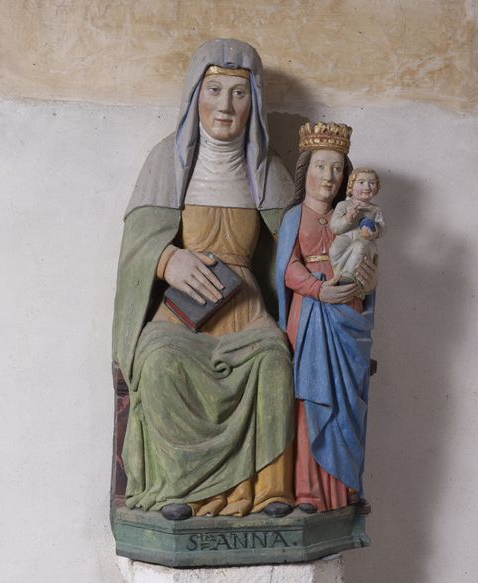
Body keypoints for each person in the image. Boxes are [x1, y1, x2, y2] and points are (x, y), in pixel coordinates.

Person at [112, 39, 295, 521]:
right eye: (214, 90)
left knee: (274, 359)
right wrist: (167, 259)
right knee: (158, 360)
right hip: (183, 310)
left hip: (245, 309)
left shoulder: (268, 171)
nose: (225, 106)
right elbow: (136, 247)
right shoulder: (165, 162)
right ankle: (179, 489)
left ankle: (268, 491)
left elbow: (300, 248)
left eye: (239, 93)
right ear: (195, 95)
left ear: (254, 101)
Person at [276, 121, 378, 513]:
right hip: (310, 315)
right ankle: (308, 491)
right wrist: (318, 289)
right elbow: (287, 268)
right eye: (321, 166)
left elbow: (368, 260)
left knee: (348, 400)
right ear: (306, 170)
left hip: (348, 311)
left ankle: (346, 486)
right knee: (312, 400)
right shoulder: (293, 218)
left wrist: (369, 279)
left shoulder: (352, 216)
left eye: (337, 169)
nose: (329, 176)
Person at [329, 168, 385, 298]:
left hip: (366, 242)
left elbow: (383, 228)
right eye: (361, 182)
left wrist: (375, 232)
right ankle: (338, 275)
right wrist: (347, 218)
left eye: (372, 183)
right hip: (346, 238)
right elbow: (334, 227)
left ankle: (349, 278)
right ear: (351, 186)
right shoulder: (343, 205)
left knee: (359, 247)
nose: (367, 187)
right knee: (335, 249)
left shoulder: (375, 210)